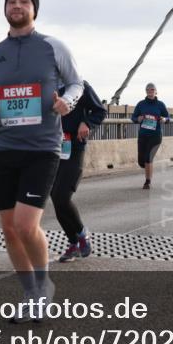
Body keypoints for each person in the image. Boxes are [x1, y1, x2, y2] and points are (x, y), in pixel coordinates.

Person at [0, 0, 82, 320]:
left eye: (24, 1)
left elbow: (77, 83)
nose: (17, 5)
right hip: (5, 147)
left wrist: (67, 101)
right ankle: (30, 293)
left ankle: (44, 287)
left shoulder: (53, 47)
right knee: (9, 228)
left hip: (43, 148)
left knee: (26, 224)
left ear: (34, 9)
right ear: (5, 9)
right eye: (11, 1)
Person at [53, 80, 107, 262]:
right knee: (55, 198)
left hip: (73, 147)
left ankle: (83, 234)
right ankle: (73, 243)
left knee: (62, 196)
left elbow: (100, 111)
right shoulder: (46, 83)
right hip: (51, 148)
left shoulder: (80, 86)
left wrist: (86, 122)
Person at [132, 83, 170, 189]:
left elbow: (168, 118)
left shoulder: (160, 105)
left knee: (148, 157)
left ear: (156, 91)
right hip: (143, 136)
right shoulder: (141, 104)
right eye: (148, 89)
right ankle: (147, 167)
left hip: (155, 136)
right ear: (146, 91)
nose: (150, 91)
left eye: (152, 89)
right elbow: (133, 117)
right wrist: (137, 119)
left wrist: (164, 119)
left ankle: (147, 181)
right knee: (141, 161)